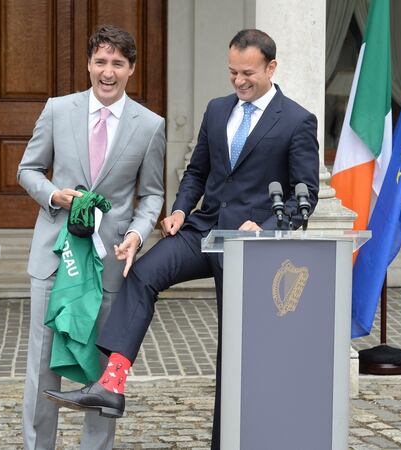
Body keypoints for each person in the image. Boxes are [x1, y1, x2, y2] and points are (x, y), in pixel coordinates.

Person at [44, 29, 320, 449]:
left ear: (271, 68)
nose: (239, 81)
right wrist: (178, 209)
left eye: (248, 73)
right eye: (232, 72)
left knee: (235, 343)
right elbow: (196, 173)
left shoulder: (298, 120)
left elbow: (307, 195)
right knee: (142, 273)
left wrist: (265, 225)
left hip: (250, 248)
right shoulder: (216, 110)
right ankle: (112, 383)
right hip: (200, 231)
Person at [17, 25, 166, 450]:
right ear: (88, 65)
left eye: (118, 63)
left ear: (131, 69)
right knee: (43, 365)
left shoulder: (149, 126)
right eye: (100, 61)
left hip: (109, 262)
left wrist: (137, 234)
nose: (108, 72)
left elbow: (152, 193)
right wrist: (54, 196)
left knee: (103, 371)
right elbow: (28, 170)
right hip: (54, 258)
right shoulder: (57, 110)